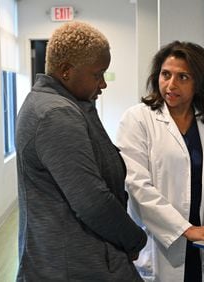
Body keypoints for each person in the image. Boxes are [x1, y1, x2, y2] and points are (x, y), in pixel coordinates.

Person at [15, 21, 147, 281]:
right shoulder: (55, 114)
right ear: (66, 71)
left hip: (82, 261)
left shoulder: (66, 104)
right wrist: (135, 239)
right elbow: (92, 203)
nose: (103, 84)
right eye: (98, 74)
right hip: (74, 266)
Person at [116, 41, 204, 282]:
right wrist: (187, 229)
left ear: (198, 83)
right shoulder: (138, 119)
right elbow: (138, 187)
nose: (171, 85)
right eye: (165, 74)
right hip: (163, 244)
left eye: (183, 77)